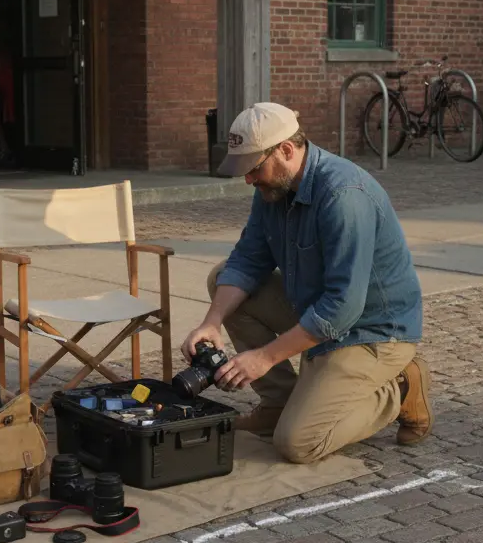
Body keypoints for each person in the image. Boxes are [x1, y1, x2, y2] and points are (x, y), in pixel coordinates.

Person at [181, 102, 433, 465]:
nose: (248, 180)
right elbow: (249, 259)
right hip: (318, 310)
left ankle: (401, 386)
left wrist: (265, 358)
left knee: (299, 443)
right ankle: (279, 403)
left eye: (253, 168)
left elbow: (343, 310)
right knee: (222, 279)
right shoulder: (273, 187)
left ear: (286, 150)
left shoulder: (344, 196)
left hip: (372, 330)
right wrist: (211, 323)